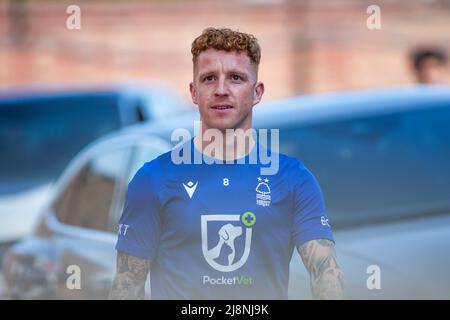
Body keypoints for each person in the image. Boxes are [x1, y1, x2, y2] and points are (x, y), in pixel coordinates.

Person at [109, 27, 344, 300]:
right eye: (209, 78)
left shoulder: (293, 178)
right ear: (194, 92)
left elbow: (326, 272)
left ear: (257, 92)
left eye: (236, 78)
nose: (221, 90)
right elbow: (127, 286)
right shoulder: (153, 178)